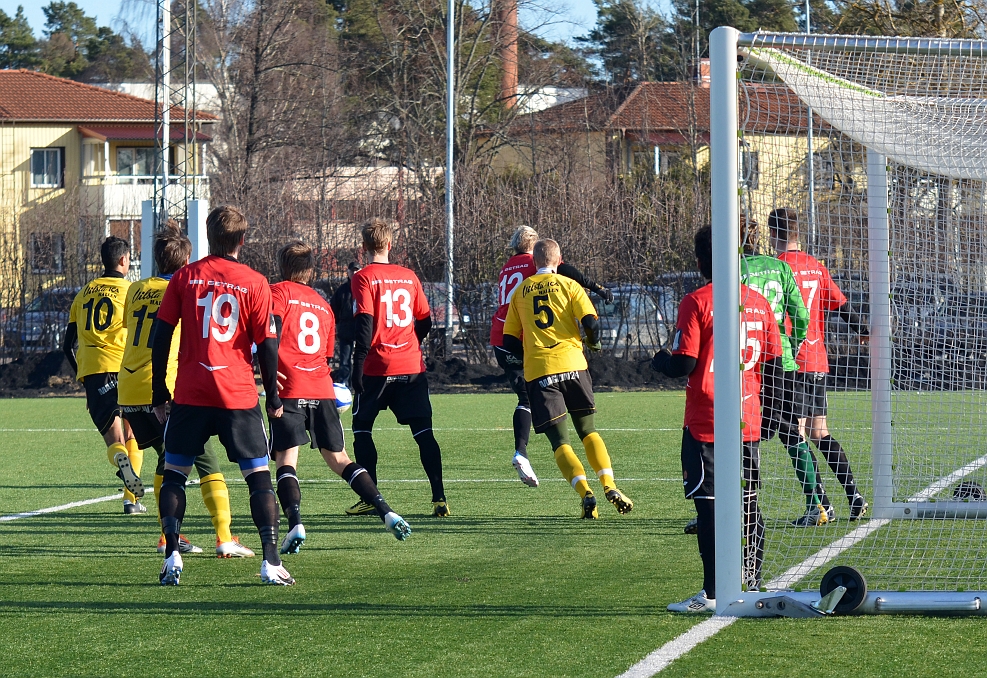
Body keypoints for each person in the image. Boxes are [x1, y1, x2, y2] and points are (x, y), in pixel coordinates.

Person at [151, 205, 292, 586]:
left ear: (208, 237)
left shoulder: (185, 277)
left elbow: (161, 336)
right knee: (258, 479)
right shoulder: (256, 282)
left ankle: (172, 555)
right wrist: (273, 396)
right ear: (242, 240)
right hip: (237, 396)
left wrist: (158, 390)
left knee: (175, 475)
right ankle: (271, 561)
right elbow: (268, 345)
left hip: (191, 394)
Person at [653, 225, 781, 613]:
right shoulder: (758, 302)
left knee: (708, 508)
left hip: (707, 420)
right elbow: (774, 364)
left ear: (699, 262)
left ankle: (711, 593)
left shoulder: (696, 301)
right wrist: (773, 412)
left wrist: (659, 361)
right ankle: (752, 582)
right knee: (748, 502)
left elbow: (684, 363)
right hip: (748, 415)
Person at [117, 223, 255, 558]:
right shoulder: (185, 287)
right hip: (164, 388)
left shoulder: (135, 289)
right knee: (207, 462)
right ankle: (223, 537)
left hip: (129, 387)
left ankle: (169, 536)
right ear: (187, 259)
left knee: (167, 460)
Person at [269, 241, 411, 551]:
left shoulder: (277, 293)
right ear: (311, 270)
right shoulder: (323, 305)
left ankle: (295, 524)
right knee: (340, 459)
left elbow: (270, 334)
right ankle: (386, 512)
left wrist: (267, 370)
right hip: (321, 388)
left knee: (286, 460)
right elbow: (327, 354)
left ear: (282, 267)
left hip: (289, 387)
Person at [502, 238, 633, 519]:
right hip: (573, 365)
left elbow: (509, 340)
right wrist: (592, 342)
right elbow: (591, 323)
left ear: (534, 261)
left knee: (560, 443)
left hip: (540, 372)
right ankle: (609, 485)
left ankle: (586, 493)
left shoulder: (521, 291)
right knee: (589, 432)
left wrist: (530, 353)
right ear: (558, 259)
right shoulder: (570, 285)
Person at [490, 225, 614, 488]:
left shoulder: (507, 267)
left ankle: (521, 451)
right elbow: (569, 273)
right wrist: (599, 288)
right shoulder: (535, 263)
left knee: (524, 397)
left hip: (501, 338)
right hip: (536, 344)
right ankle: (523, 454)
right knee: (580, 427)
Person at [771, 208, 869, 520]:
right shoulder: (815, 265)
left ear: (772, 234)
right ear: (797, 232)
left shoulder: (776, 267)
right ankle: (854, 496)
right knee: (820, 432)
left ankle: (820, 505)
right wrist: (862, 329)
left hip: (792, 361)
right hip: (818, 359)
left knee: (795, 434)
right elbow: (841, 303)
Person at [347, 218, 448, 516]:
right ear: (390, 244)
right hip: (411, 367)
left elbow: (365, 324)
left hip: (376, 367)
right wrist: (410, 342)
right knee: (424, 432)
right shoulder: (409, 276)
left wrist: (357, 365)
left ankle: (370, 498)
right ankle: (440, 498)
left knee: (362, 430)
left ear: (364, 246)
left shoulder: (363, 277)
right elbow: (426, 321)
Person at [740, 217, 825, 526]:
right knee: (791, 434)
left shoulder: (733, 271)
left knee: (732, 434)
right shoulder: (779, 267)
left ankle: (720, 508)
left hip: (746, 366)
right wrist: (792, 343)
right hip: (782, 363)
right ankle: (815, 505)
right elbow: (800, 315)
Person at [62, 236, 146, 515]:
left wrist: (84, 379)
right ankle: (130, 501)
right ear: (123, 260)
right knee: (134, 433)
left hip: (95, 372)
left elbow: (67, 345)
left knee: (114, 440)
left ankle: (121, 462)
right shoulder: (131, 291)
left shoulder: (84, 293)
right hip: (126, 368)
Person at [330, 262, 361, 386]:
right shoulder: (342, 290)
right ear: (348, 272)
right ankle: (344, 385)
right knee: (344, 361)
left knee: (361, 360)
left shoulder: (365, 288)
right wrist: (337, 325)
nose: (354, 273)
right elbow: (334, 309)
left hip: (361, 329)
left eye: (357, 270)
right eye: (352, 270)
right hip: (345, 330)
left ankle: (360, 384)